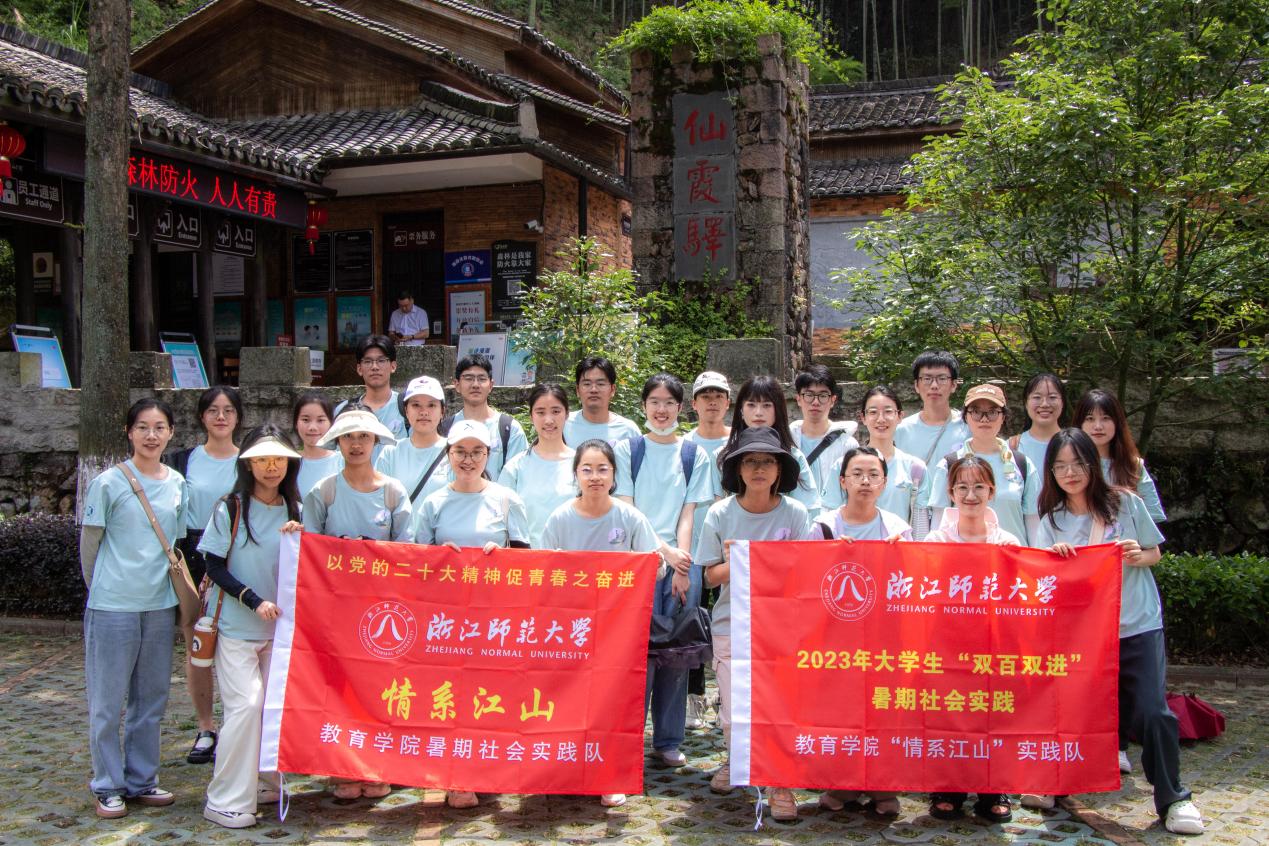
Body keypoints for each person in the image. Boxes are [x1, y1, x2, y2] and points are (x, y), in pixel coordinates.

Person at [1023, 429, 1203, 835]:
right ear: (1051, 472)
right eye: (1060, 466)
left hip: (1137, 623)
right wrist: (1056, 560)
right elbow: (1046, 581)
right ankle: (1055, 779)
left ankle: (1174, 798)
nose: (1070, 473)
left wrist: (1140, 555)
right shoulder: (1052, 521)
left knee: (1153, 711)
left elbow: (1155, 551)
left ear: (1093, 464)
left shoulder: (1126, 503)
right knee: (1069, 710)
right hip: (1083, 634)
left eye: (1078, 463)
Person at [540, 439, 665, 808]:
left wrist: (648, 565)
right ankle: (565, 771)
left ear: (613, 475)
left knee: (611, 702)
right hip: (570, 629)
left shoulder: (630, 517)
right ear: (575, 474)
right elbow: (544, 573)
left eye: (602, 469)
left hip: (618, 628)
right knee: (569, 699)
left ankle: (610, 776)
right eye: (587, 469)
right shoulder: (559, 519)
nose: (595, 476)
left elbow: (655, 568)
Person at [80, 398, 189, 819]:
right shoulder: (107, 482)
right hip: (112, 607)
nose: (151, 435)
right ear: (129, 432)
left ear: (171, 433)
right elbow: (90, 547)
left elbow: (175, 543)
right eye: (142, 427)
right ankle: (107, 785)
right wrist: (103, 589)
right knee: (107, 703)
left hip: (159, 605)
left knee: (151, 700)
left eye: (159, 427)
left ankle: (142, 779)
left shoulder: (177, 482)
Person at [695, 426, 812, 820]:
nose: (758, 469)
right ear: (738, 469)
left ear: (780, 469)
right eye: (750, 461)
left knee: (779, 709)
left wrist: (764, 559)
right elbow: (709, 578)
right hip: (732, 623)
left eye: (767, 461)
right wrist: (742, 562)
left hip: (782, 627)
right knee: (733, 711)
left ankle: (780, 784)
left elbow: (805, 572)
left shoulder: (795, 514)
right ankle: (737, 760)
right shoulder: (720, 513)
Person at [413, 418, 530, 809]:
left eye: (476, 451)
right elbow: (417, 564)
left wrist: (502, 557)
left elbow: (525, 562)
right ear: (448, 454)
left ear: (488, 455)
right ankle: (456, 776)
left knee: (490, 696)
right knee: (451, 697)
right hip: (446, 621)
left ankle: (487, 770)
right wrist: (439, 557)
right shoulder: (433, 503)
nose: (468, 459)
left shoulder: (506, 500)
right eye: (460, 451)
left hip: (493, 621)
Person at [302, 408, 411, 800]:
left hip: (382, 612)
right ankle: (342, 768)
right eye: (348, 437)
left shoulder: (393, 492)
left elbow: (407, 552)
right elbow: (309, 551)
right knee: (338, 688)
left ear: (376, 442)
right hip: (336, 610)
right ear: (337, 443)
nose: (356, 444)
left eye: (364, 436)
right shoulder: (324, 492)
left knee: (379, 689)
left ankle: (378, 766)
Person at [198, 426, 304, 829]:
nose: (271, 467)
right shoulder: (230, 507)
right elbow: (213, 565)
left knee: (273, 709)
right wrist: (253, 600)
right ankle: (224, 799)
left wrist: (303, 538)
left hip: (280, 634)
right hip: (236, 629)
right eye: (262, 459)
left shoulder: (296, 508)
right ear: (248, 464)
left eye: (278, 459)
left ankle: (265, 783)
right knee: (246, 707)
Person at [613, 373, 713, 768]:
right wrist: (664, 551)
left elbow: (689, 512)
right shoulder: (628, 449)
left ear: (680, 407)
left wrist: (682, 564)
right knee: (635, 656)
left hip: (680, 565)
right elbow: (627, 508)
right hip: (638, 563)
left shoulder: (693, 454)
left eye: (669, 402)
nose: (661, 409)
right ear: (643, 406)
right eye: (654, 401)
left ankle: (668, 740)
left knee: (676, 652)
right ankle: (627, 738)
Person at [812, 446, 908, 817]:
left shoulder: (897, 529)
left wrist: (902, 556)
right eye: (857, 474)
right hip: (835, 639)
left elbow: (912, 585)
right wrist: (828, 556)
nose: (865, 481)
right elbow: (804, 581)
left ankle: (884, 786)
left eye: (873, 475)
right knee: (840, 712)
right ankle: (842, 783)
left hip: (885, 638)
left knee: (883, 710)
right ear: (842, 481)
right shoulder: (823, 527)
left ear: (884, 482)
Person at [922, 455, 1016, 823]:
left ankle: (994, 788)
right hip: (945, 644)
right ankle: (948, 787)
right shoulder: (935, 539)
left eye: (979, 486)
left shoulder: (1007, 541)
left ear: (992, 491)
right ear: (951, 492)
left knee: (992, 715)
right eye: (962, 487)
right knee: (949, 713)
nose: (970, 495)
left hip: (992, 646)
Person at [163, 385, 242, 766]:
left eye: (228, 410)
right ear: (201, 416)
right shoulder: (183, 461)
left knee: (237, 643)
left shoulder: (250, 461)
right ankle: (206, 727)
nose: (221, 417)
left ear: (238, 417)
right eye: (213, 410)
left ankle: (238, 725)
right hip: (194, 554)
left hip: (237, 555)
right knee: (198, 643)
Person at [927, 384, 1040, 545]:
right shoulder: (949, 465)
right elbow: (939, 524)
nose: (984, 419)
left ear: (1003, 417)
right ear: (966, 417)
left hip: (1011, 555)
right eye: (976, 412)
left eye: (992, 412)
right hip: (962, 559)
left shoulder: (1022, 464)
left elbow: (1033, 524)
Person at [682, 370, 731, 729]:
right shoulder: (684, 446)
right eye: (706, 396)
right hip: (693, 551)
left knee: (731, 625)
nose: (712, 402)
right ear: (694, 403)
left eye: (719, 396)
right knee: (693, 622)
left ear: (728, 402)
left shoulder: (740, 441)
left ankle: (726, 696)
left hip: (731, 550)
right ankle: (694, 697)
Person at [824, 386, 928, 530]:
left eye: (888, 412)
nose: (881, 419)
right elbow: (829, 516)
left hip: (897, 542)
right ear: (863, 418)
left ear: (900, 416)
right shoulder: (842, 465)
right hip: (852, 543)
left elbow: (920, 525)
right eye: (873, 412)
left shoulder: (915, 468)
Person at [719, 375, 821, 514]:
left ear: (777, 410)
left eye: (766, 405)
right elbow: (716, 509)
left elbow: (809, 510)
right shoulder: (723, 455)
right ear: (741, 410)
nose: (758, 413)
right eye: (751, 405)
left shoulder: (794, 457)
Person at [498, 384, 576, 548]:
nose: (548, 420)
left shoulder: (581, 465)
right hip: (528, 559)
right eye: (540, 412)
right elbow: (499, 519)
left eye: (556, 411)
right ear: (531, 416)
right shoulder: (516, 467)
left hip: (574, 558)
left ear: (567, 414)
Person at [1074, 389, 1167, 523]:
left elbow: (1152, 515)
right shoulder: (1069, 466)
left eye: (1106, 418)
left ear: (1117, 423)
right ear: (1080, 424)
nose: (1098, 426)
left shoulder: (1133, 466)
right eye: (1090, 419)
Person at [893, 351, 970, 502]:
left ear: (954, 385)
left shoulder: (968, 428)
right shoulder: (900, 430)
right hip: (912, 509)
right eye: (927, 379)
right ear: (916, 385)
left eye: (942, 379)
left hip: (953, 510)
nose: (934, 386)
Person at [440, 353, 528, 479]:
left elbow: (520, 476)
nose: (475, 384)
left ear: (491, 385)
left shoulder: (510, 429)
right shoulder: (445, 429)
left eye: (482, 379)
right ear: (457, 384)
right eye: (468, 378)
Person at [375, 376, 451, 506]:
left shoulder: (455, 451)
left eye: (431, 405)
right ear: (406, 411)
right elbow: (378, 501)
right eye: (416, 405)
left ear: (442, 411)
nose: (424, 412)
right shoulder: (391, 453)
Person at [790, 364, 859, 499]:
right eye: (809, 395)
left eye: (823, 395)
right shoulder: (787, 440)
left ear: (832, 400)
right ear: (798, 399)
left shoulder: (847, 445)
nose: (815, 402)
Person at [333, 335, 407, 461]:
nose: (374, 367)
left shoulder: (406, 407)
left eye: (381, 360)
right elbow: (336, 457)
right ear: (359, 368)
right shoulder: (344, 411)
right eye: (368, 361)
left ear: (393, 366)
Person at [563, 356, 641, 446]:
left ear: (612, 390)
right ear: (577, 390)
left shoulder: (629, 431)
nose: (593, 389)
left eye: (600, 384)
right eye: (587, 384)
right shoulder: (563, 424)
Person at [1011, 373, 1069, 475]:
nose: (1044, 404)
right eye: (1037, 397)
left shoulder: (1076, 444)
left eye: (1052, 397)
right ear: (1026, 403)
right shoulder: (1011, 447)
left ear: (1063, 402)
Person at [293, 392, 342, 497]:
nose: (312, 427)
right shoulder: (288, 463)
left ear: (331, 423)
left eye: (320, 420)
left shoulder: (343, 462)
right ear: (296, 423)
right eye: (305, 420)